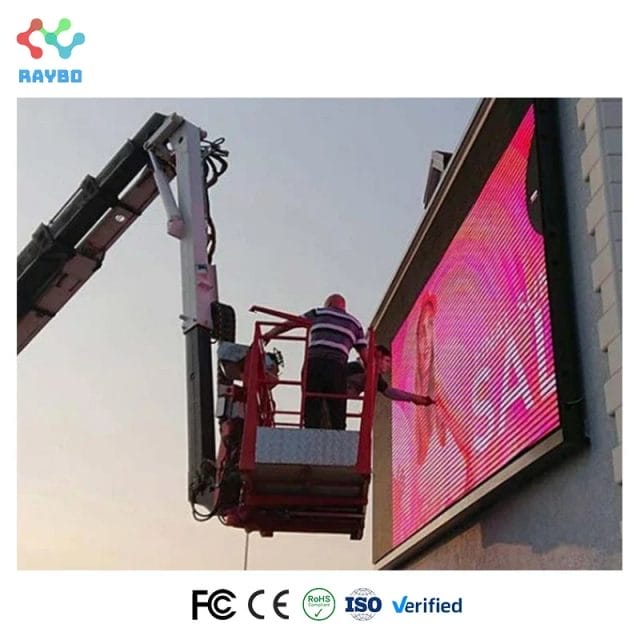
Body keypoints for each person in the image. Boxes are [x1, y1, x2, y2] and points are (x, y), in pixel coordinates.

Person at [263, 293, 368, 430]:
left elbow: (290, 323)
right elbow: (364, 354)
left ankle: (311, 429)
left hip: (315, 363)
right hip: (337, 367)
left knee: (311, 404)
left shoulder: (318, 313)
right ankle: (339, 432)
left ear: (329, 304)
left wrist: (270, 334)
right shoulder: (355, 323)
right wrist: (370, 373)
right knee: (337, 407)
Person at [347, 345, 435, 405]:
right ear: (378, 357)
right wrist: (414, 398)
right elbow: (389, 392)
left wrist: (414, 398)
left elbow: (389, 392)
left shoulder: (375, 378)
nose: (389, 366)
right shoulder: (354, 367)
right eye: (387, 361)